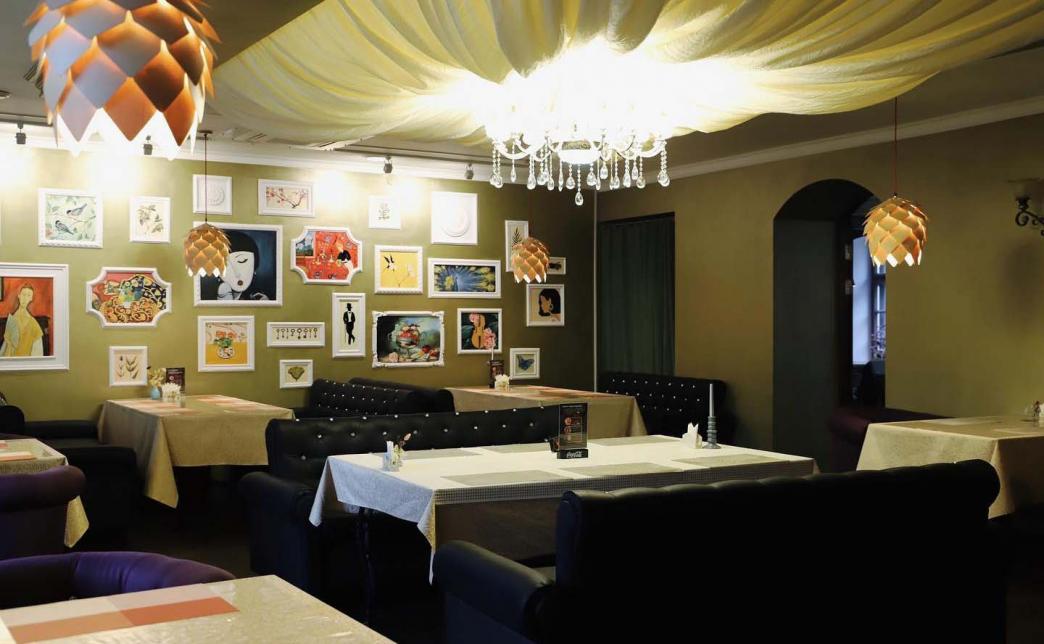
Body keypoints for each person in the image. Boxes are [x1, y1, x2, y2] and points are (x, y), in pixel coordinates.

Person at [214, 231, 270, 301]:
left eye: (242, 261)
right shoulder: (208, 297)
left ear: (254, 267)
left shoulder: (259, 298)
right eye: (226, 266)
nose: (237, 274)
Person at [1, 284, 45, 357]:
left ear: (31, 298)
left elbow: (37, 354)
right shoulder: (12, 320)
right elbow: (6, 349)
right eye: (23, 294)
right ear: (19, 296)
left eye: (28, 295)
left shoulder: (34, 325)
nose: (25, 298)